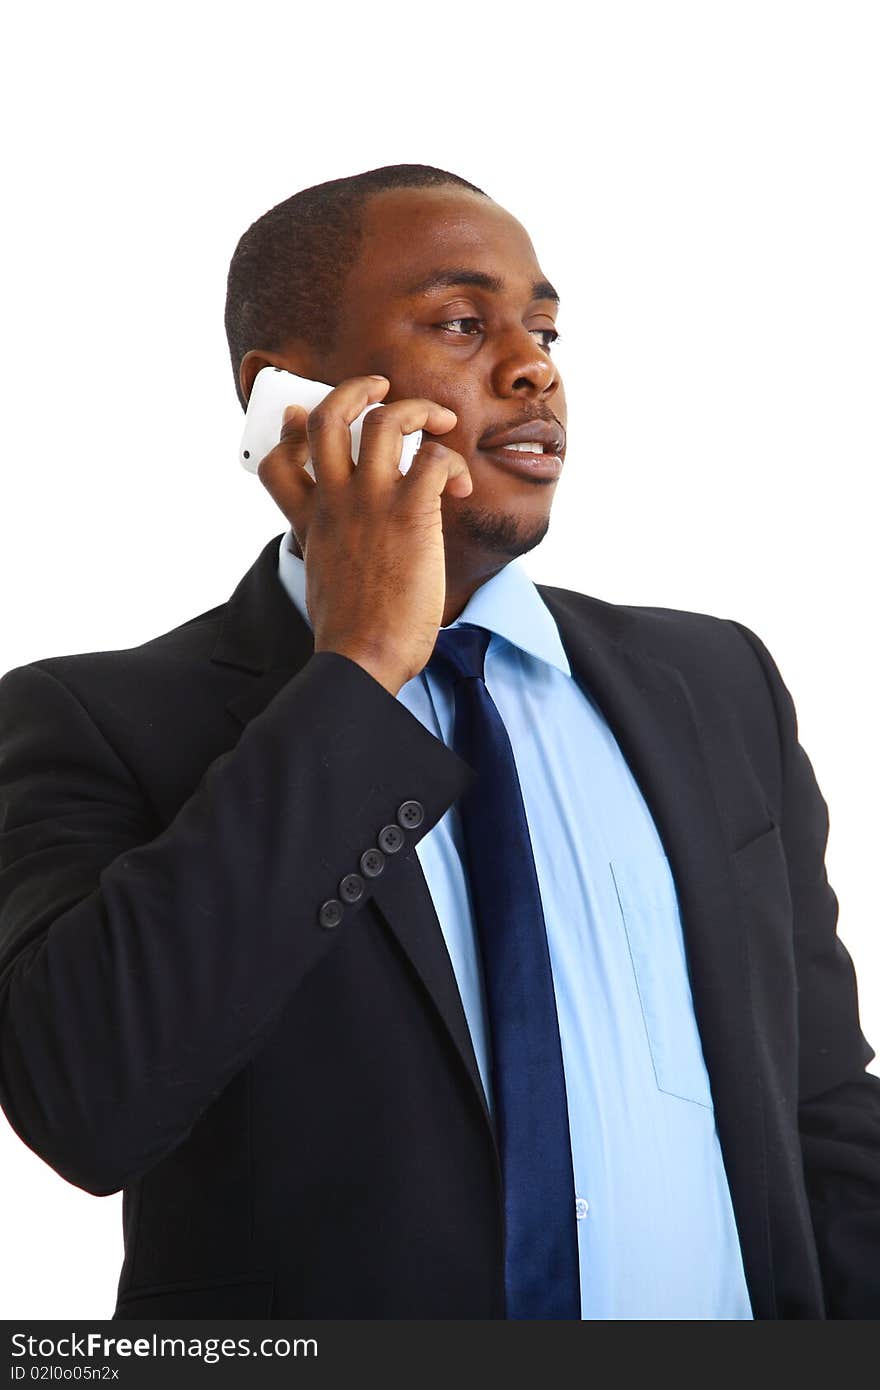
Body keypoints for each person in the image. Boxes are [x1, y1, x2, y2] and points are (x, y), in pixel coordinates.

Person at [0, 163, 877, 1321]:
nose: (534, 368)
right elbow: (91, 1100)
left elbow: (816, 1100)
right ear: (290, 395)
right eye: (464, 324)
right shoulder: (92, 721)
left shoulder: (714, 686)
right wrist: (357, 670)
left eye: (546, 328)